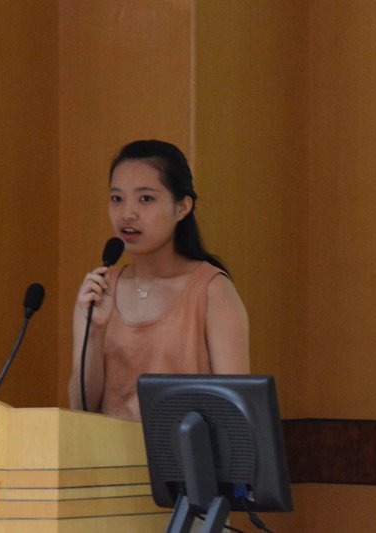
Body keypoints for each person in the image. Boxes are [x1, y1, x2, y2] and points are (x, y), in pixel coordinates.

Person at [68, 139, 250, 421]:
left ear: (182, 207)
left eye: (146, 199)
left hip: (183, 449)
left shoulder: (213, 290)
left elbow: (236, 411)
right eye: (117, 198)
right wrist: (95, 333)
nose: (127, 214)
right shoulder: (99, 290)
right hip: (107, 450)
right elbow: (81, 409)